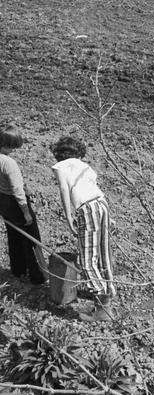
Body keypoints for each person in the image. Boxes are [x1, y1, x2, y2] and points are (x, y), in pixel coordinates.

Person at [50, 136, 116, 322]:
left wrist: (69, 216)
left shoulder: (61, 166)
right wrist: (108, 217)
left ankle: (103, 309)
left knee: (87, 259)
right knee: (103, 253)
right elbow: (94, 188)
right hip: (101, 204)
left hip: (86, 209)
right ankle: (108, 292)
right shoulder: (85, 166)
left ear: (59, 154)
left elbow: (64, 189)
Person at [0, 125, 47, 286]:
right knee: (32, 240)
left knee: (13, 235)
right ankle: (38, 276)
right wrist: (26, 212)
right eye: (13, 146)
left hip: (3, 203)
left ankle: (18, 270)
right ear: (7, 144)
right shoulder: (8, 163)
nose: (14, 150)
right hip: (15, 204)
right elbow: (17, 190)